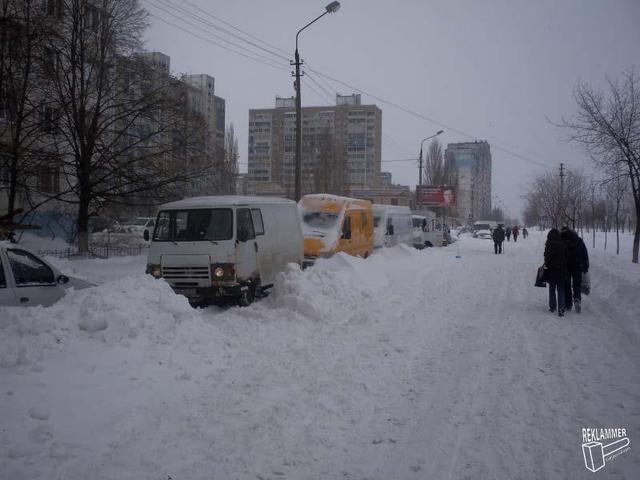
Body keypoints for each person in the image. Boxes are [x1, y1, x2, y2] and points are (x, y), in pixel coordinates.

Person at [560, 226, 589, 313]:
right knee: (577, 285)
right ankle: (577, 299)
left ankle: (568, 304)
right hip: (577, 266)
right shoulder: (578, 240)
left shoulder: (561, 240)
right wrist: (585, 265)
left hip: (566, 267)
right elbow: (584, 253)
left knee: (567, 285)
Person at [544, 228, 567, 316]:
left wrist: (547, 264)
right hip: (561, 269)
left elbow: (546, 257)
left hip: (551, 270)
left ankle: (552, 306)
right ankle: (561, 308)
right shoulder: (562, 243)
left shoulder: (549, 244)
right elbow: (566, 256)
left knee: (552, 289)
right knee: (561, 289)